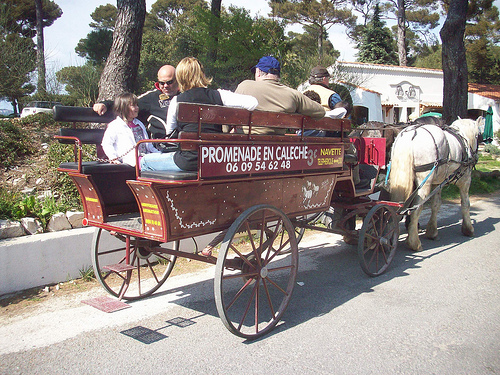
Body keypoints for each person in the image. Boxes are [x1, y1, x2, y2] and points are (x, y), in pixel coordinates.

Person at [140, 57, 258, 172]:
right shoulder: (219, 95)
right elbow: (253, 103)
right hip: (215, 159)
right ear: (202, 74)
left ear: (180, 77)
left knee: (144, 162)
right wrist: (235, 121)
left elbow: (170, 137)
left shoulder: (176, 101)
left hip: (188, 161)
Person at [235, 56, 325, 135]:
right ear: (278, 75)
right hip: (278, 146)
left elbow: (229, 113)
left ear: (258, 72)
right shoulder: (293, 94)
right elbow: (320, 112)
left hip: (245, 147)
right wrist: (295, 112)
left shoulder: (244, 86)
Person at [93, 65, 180, 139]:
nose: (165, 86)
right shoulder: (151, 97)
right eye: (161, 83)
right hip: (160, 146)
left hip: (185, 146)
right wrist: (105, 104)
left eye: (169, 82)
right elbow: (127, 104)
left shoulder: (185, 96)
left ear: (177, 80)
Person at [101, 92, 159, 167]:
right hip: (131, 159)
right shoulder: (115, 125)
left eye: (137, 105)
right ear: (123, 108)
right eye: (133, 106)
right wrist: (113, 158)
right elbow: (107, 143)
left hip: (146, 156)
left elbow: (148, 144)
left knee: (163, 160)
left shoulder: (139, 124)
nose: (137, 108)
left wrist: (157, 153)